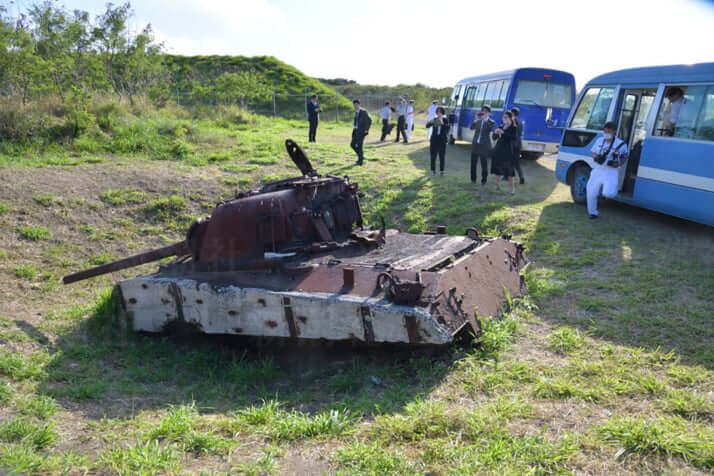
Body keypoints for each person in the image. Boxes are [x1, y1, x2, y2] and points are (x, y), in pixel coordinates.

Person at [586, 121, 628, 218]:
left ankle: (609, 191)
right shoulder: (599, 140)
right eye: (605, 131)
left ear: (614, 132)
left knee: (608, 193)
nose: (606, 134)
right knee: (591, 192)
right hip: (598, 170)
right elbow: (594, 153)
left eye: (609, 132)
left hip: (611, 172)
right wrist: (597, 158)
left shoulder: (621, 144)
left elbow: (625, 157)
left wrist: (618, 163)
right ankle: (592, 212)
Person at [491, 111, 519, 195]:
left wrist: (503, 133)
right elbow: (494, 138)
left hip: (508, 151)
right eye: (504, 117)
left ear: (510, 118)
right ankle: (497, 185)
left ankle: (512, 189)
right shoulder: (501, 126)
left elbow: (513, 138)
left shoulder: (514, 128)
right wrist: (495, 133)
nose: (504, 119)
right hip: (499, 150)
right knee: (498, 169)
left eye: (506, 117)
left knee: (510, 171)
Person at [469, 104, 496, 185]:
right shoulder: (478, 121)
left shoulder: (491, 122)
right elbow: (471, 127)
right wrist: (475, 120)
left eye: (486, 111)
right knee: (473, 163)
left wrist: (485, 120)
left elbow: (489, 129)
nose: (484, 113)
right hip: (475, 145)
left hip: (484, 146)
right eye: (483, 111)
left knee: (484, 164)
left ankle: (484, 180)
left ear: (489, 113)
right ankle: (473, 180)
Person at [425, 106, 450, 176]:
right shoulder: (435, 119)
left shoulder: (445, 120)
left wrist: (442, 123)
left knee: (442, 157)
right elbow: (427, 126)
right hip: (434, 140)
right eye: (438, 112)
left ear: (442, 113)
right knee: (433, 156)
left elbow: (447, 129)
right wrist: (430, 122)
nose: (439, 113)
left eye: (440, 112)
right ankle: (433, 170)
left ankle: (442, 171)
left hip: (442, 141)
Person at [350, 99, 371, 165]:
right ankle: (361, 156)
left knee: (359, 146)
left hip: (361, 132)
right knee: (352, 144)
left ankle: (360, 161)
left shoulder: (363, 112)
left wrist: (366, 129)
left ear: (359, 105)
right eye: (354, 105)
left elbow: (369, 120)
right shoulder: (356, 112)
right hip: (355, 131)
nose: (355, 106)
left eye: (356, 105)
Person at [511, 107, 525, 184]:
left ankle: (507, 176)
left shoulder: (512, 121)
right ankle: (521, 177)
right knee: (516, 163)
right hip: (518, 144)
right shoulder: (520, 122)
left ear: (513, 113)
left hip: (512, 144)